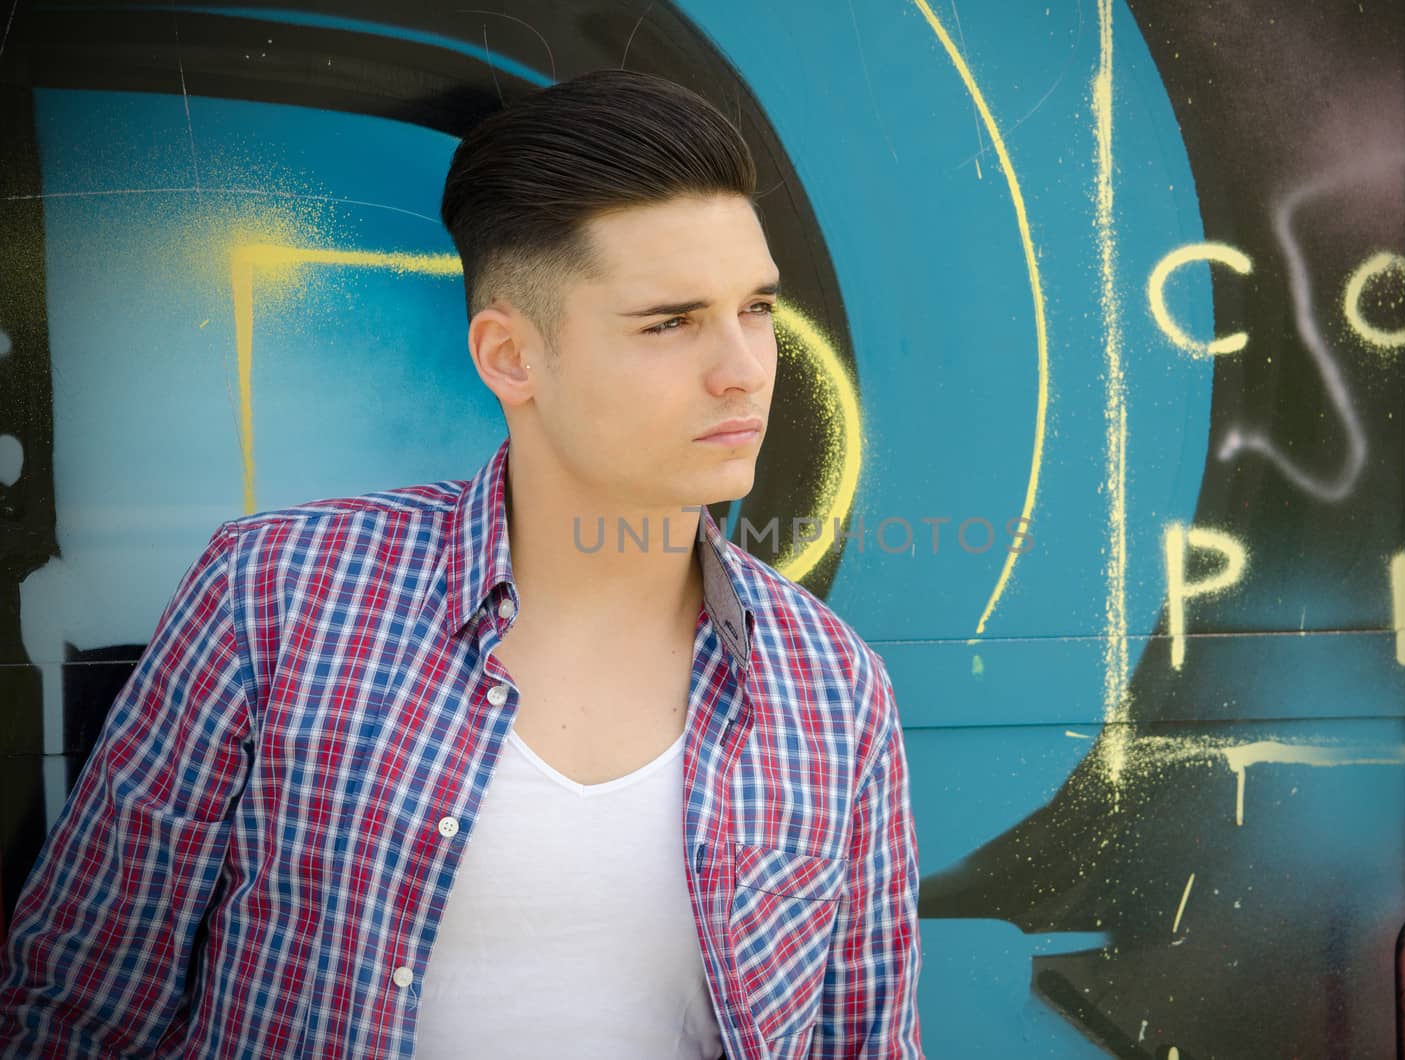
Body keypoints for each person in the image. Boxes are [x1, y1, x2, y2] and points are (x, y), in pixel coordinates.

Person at [0, 70, 921, 1058]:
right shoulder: (276, 597)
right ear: (510, 358)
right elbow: (73, 1004)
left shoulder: (830, 687)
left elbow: (866, 1045)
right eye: (670, 321)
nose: (742, 365)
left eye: (755, 309)